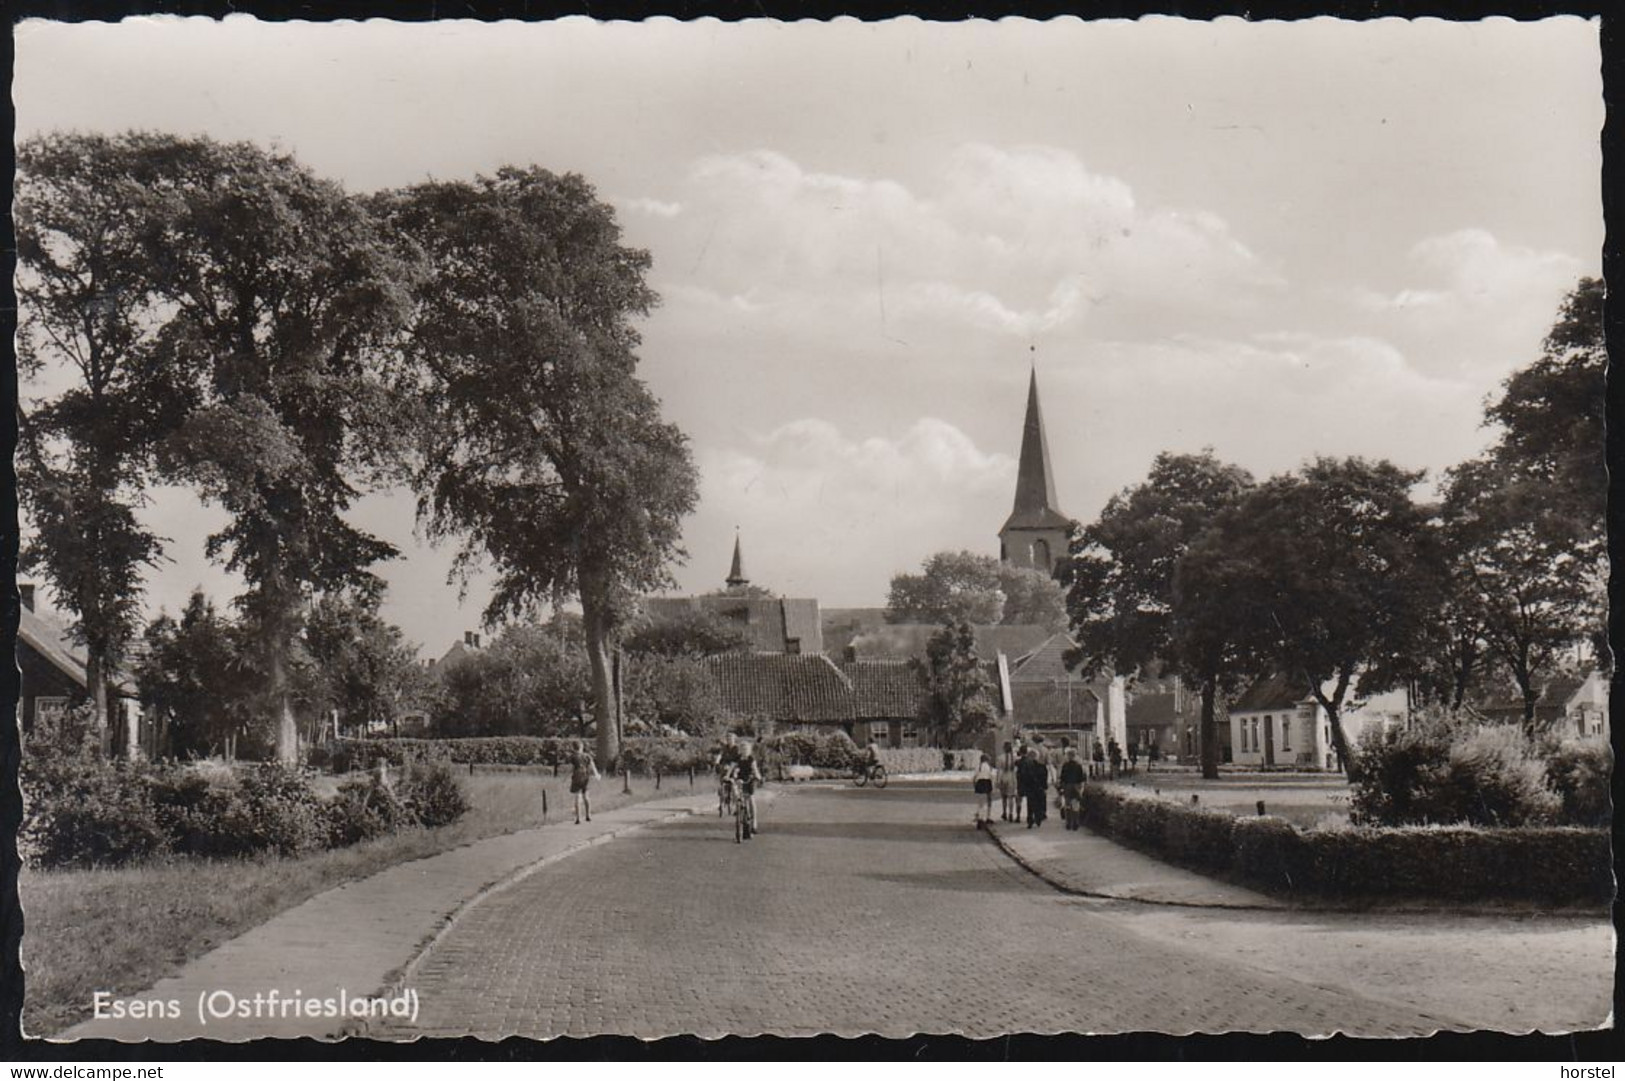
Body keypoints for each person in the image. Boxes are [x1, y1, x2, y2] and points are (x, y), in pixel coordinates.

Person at [1016, 747, 1049, 828]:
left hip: (1030, 787)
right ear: (1037, 756)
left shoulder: (1026, 766)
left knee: (1030, 803)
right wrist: (1044, 786)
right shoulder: (1042, 766)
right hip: (1039, 787)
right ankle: (1038, 818)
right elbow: (1045, 777)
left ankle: (1030, 819)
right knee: (1039, 802)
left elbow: (1022, 776)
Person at [568, 740, 599, 824]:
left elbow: (570, 768)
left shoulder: (573, 757)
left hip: (576, 778)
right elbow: (592, 765)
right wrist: (596, 774)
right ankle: (588, 815)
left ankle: (578, 818)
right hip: (585, 777)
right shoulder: (587, 756)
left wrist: (566, 777)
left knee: (577, 797)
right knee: (586, 796)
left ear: (573, 748)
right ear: (581, 747)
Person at [1058, 748, 1086, 830]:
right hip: (1076, 786)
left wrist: (1061, 787)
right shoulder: (1079, 765)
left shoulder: (1065, 765)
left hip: (1067, 786)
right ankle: (1076, 822)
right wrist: (1081, 788)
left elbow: (1062, 778)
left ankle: (1068, 823)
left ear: (1068, 756)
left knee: (1067, 805)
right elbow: (1081, 778)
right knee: (1076, 805)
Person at [971, 752, 996, 826]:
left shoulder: (978, 767)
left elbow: (974, 777)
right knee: (989, 801)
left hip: (979, 783)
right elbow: (992, 776)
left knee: (980, 802)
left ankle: (980, 817)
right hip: (987, 782)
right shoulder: (989, 767)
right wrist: (993, 787)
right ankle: (988, 817)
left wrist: (974, 785)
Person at [996, 741, 1018, 822]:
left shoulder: (1000, 758)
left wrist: (998, 780)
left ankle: (1004, 812)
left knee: (1004, 797)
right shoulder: (1014, 757)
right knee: (1011, 796)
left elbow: (999, 770)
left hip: (1004, 777)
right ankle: (1011, 813)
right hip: (1012, 777)